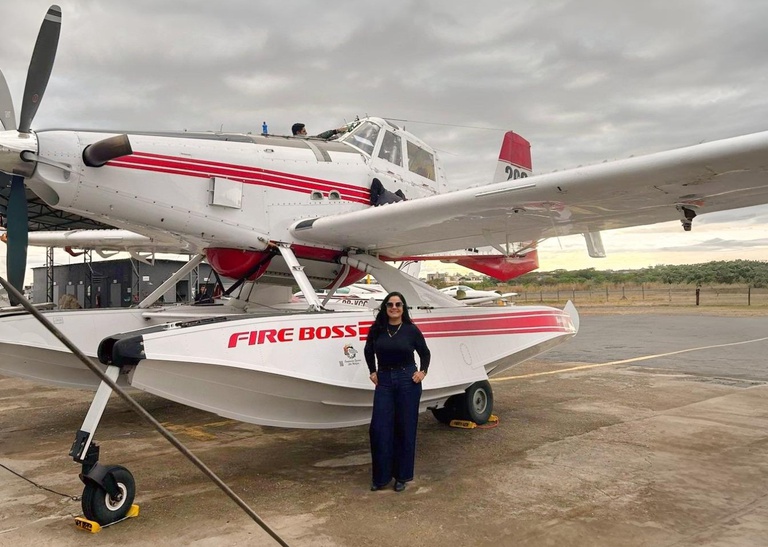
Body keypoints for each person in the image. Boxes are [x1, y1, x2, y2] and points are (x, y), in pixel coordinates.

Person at [364, 291, 430, 492]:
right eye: (390, 304)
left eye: (398, 304)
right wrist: (372, 371)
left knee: (404, 427)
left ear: (404, 308)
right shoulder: (377, 329)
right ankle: (381, 478)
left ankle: (402, 476)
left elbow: (424, 352)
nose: (394, 307)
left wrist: (422, 372)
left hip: (407, 381)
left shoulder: (411, 330)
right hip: (384, 381)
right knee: (379, 429)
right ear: (385, 307)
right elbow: (368, 350)